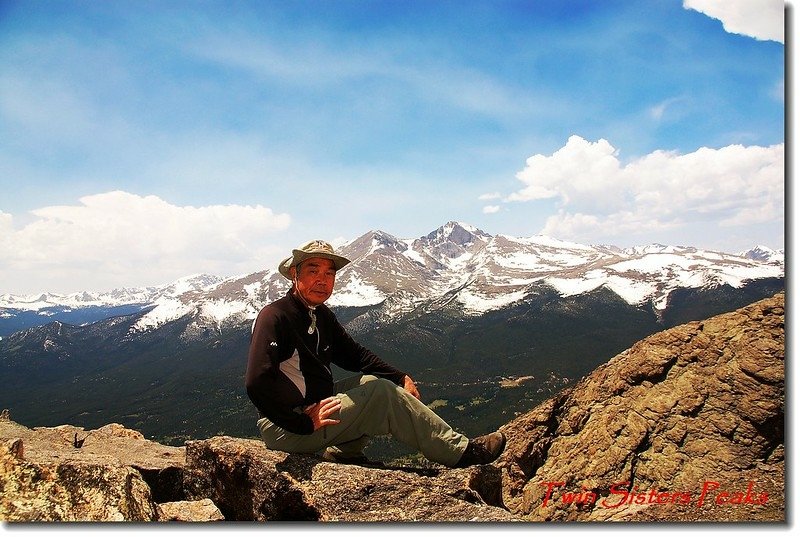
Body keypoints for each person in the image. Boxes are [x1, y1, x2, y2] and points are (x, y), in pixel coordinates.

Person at [245, 239, 506, 467]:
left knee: (371, 382)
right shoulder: (275, 316)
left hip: (311, 411)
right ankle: (459, 452)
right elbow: (256, 382)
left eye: (329, 273)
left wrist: (399, 377)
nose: (322, 280)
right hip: (286, 427)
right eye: (313, 271)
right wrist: (301, 423)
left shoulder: (319, 315)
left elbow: (354, 355)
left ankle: (343, 452)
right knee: (380, 395)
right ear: (294, 274)